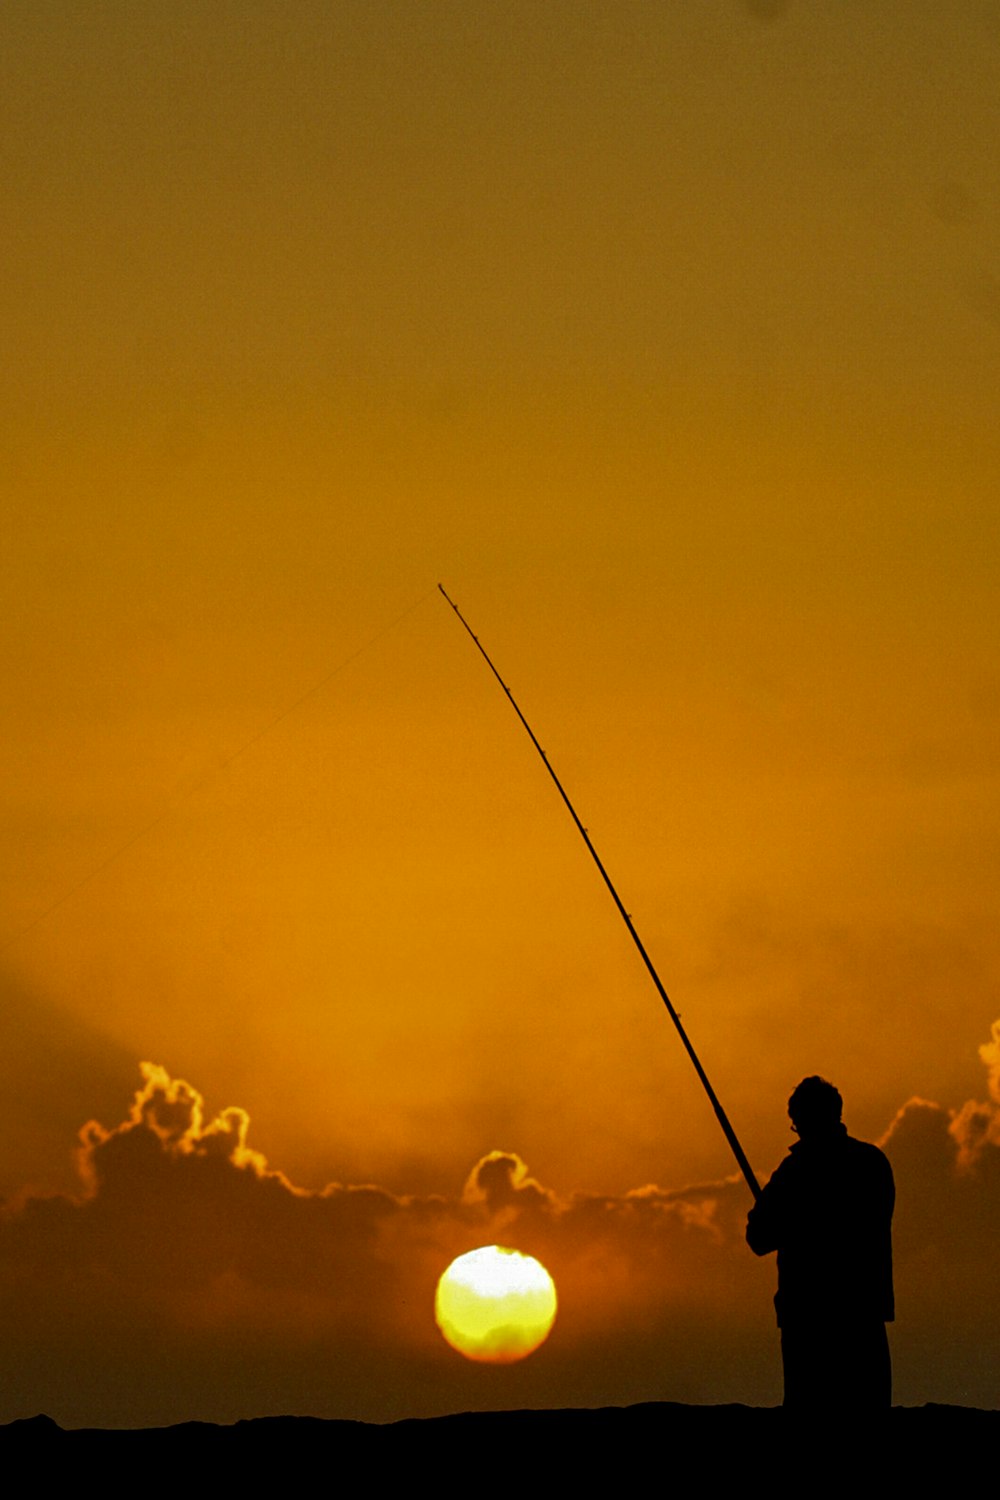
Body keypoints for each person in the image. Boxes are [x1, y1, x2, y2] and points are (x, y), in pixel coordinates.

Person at [746, 1075, 895, 1409]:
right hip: (865, 1315)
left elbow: (758, 1238)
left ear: (801, 1121)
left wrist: (774, 1215)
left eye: (796, 1125)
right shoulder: (873, 1163)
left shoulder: (796, 1170)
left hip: (809, 1323)